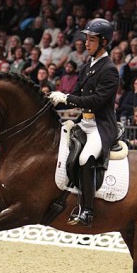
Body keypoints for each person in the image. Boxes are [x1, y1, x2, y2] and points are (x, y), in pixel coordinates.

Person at [48, 18, 119, 227]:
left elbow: (96, 101)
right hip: (84, 123)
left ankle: (87, 210)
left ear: (104, 42)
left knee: (85, 158)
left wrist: (67, 98)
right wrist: (50, 102)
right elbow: (76, 93)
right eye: (86, 39)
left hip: (100, 126)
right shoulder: (87, 65)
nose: (86, 43)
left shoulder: (110, 70)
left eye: (91, 39)